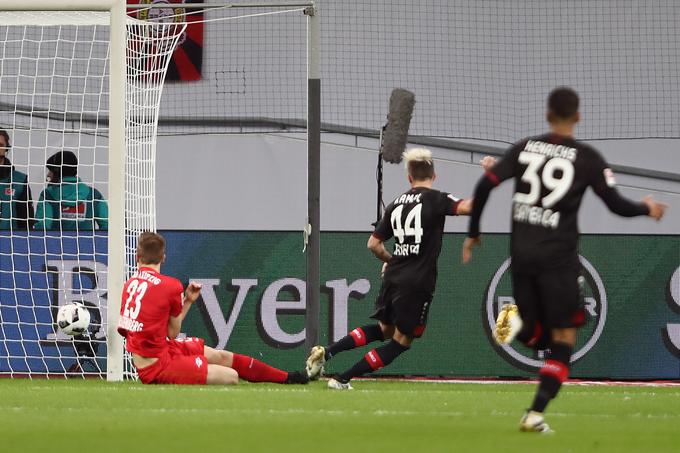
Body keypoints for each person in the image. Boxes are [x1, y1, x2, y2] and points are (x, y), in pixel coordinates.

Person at [462, 87, 668, 433]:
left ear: (547, 115)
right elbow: (616, 204)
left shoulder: (526, 147)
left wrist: (473, 231)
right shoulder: (587, 158)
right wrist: (648, 208)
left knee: (537, 337)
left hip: (522, 254)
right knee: (563, 339)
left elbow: (484, 186)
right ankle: (535, 413)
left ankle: (515, 321)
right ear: (578, 117)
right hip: (558, 258)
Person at [305, 148, 493, 390]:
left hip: (393, 278)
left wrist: (392, 260)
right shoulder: (437, 199)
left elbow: (373, 244)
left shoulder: (396, 204)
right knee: (401, 342)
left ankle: (327, 352)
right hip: (418, 282)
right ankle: (343, 378)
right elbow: (470, 207)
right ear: (434, 175)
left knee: (384, 330)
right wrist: (490, 177)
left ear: (409, 178)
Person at [117, 231, 309, 385]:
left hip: (159, 352)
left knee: (220, 356)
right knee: (231, 376)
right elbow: (173, 332)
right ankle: (287, 377)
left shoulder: (129, 284)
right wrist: (186, 302)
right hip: (157, 365)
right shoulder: (171, 285)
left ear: (137, 257)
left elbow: (130, 331)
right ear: (163, 258)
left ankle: (288, 378)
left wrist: (186, 302)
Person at [34, 150, 108, 231]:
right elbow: (107, 225)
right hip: (87, 243)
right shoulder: (94, 195)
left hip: (56, 243)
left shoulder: (47, 195)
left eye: (50, 170)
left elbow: (42, 226)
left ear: (57, 171)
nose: (48, 174)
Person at [0, 129, 34, 230]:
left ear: (6, 148)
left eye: (0, 144)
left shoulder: (19, 180)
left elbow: (27, 219)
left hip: (10, 241)